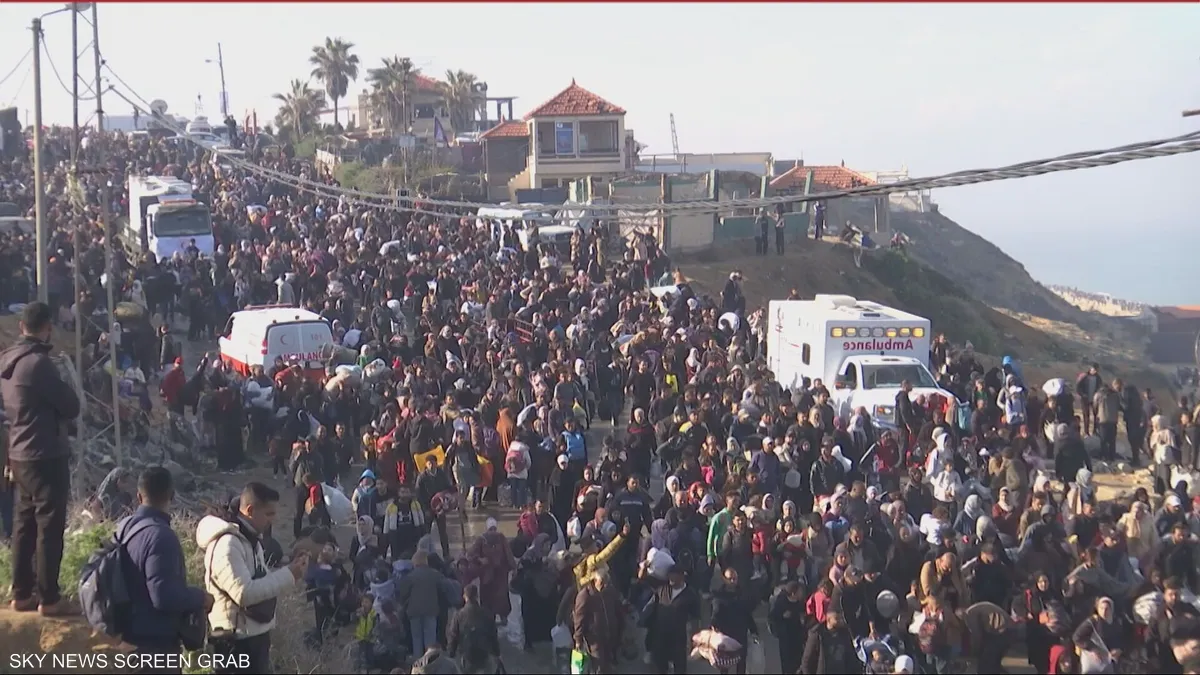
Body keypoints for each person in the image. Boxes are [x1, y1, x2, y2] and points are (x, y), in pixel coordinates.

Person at [1, 301, 81, 616]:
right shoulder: (39, 364)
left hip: (18, 453)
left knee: (23, 524)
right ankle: (49, 598)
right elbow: (71, 405)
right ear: (47, 328)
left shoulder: (8, 362)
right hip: (45, 454)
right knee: (49, 525)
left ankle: (21, 593)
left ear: (22, 327)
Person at [198, 482, 308, 674]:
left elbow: (259, 579)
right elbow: (243, 593)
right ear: (250, 510)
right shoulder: (228, 544)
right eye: (269, 514)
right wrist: (289, 574)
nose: (273, 520)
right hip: (234, 642)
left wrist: (291, 569)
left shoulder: (249, 540)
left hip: (251, 638)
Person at [121, 466, 213, 673]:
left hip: (126, 643)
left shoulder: (125, 528)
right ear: (171, 495)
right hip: (155, 649)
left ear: (139, 496)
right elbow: (164, 597)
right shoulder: (161, 536)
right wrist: (201, 597)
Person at [446, 583, 500, 674]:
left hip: (467, 653)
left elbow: (453, 635)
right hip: (483, 652)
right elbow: (493, 634)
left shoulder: (459, 615)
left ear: (464, 596)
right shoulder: (486, 613)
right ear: (476, 596)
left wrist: (451, 653)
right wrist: (497, 652)